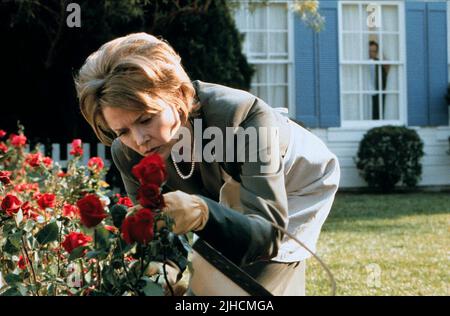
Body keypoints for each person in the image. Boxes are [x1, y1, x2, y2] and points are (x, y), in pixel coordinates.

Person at [74, 33, 340, 296]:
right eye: (122, 131)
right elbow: (159, 232)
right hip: (224, 183)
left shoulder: (243, 116)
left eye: (146, 119)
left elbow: (266, 235)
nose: (140, 140)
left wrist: (202, 213)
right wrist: (163, 266)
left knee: (237, 284)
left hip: (297, 180)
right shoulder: (127, 151)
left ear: (178, 94)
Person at [369, 41, 389, 120]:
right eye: (369, 51)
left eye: (373, 51)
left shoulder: (379, 63)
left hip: (377, 93)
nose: (371, 54)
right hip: (364, 93)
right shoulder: (361, 63)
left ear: (376, 52)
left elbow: (383, 78)